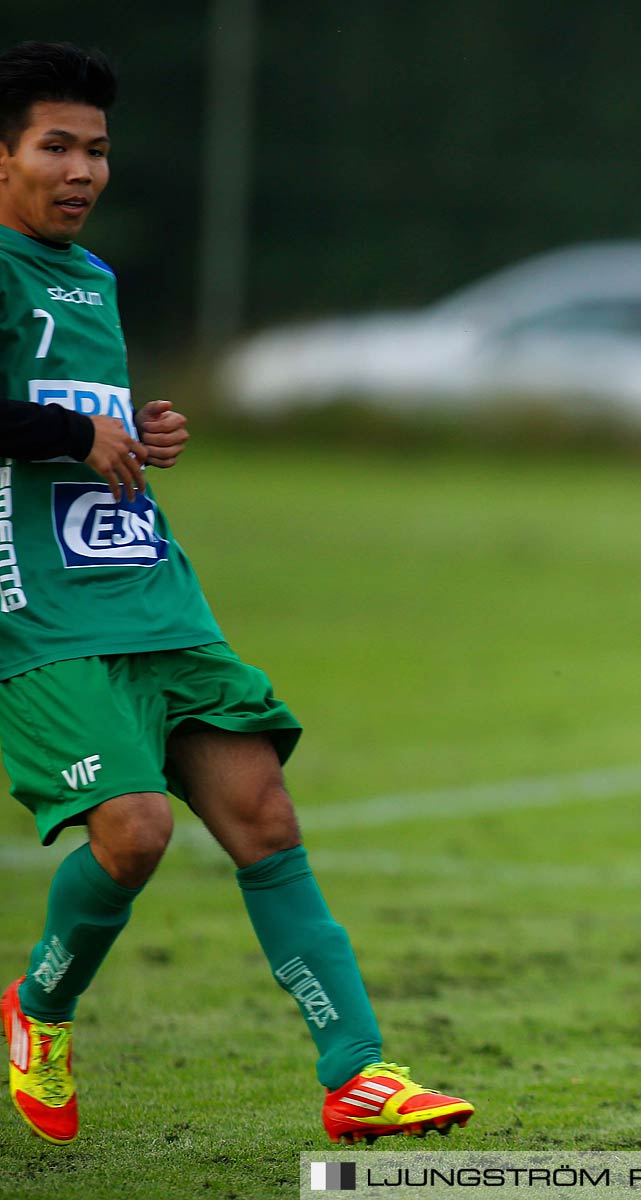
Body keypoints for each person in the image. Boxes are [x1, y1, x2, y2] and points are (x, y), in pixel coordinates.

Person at [0, 41, 473, 1147]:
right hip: (41, 616)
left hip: (148, 590)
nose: (83, 171)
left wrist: (135, 435)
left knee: (262, 814)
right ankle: (39, 1010)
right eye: (57, 147)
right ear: (4, 155)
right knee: (134, 831)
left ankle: (357, 1072)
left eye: (99, 150)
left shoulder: (94, 278)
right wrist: (79, 431)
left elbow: (75, 425)